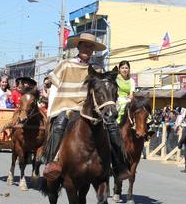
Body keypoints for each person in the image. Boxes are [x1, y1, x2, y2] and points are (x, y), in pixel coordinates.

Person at [43, 32, 131, 181]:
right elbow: (50, 77)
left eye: (91, 47)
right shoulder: (66, 64)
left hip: (91, 107)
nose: (87, 49)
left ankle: (119, 164)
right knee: (59, 123)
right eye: (85, 45)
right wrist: (47, 82)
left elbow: (104, 87)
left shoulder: (97, 68)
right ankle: (52, 162)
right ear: (79, 46)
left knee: (112, 125)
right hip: (67, 104)